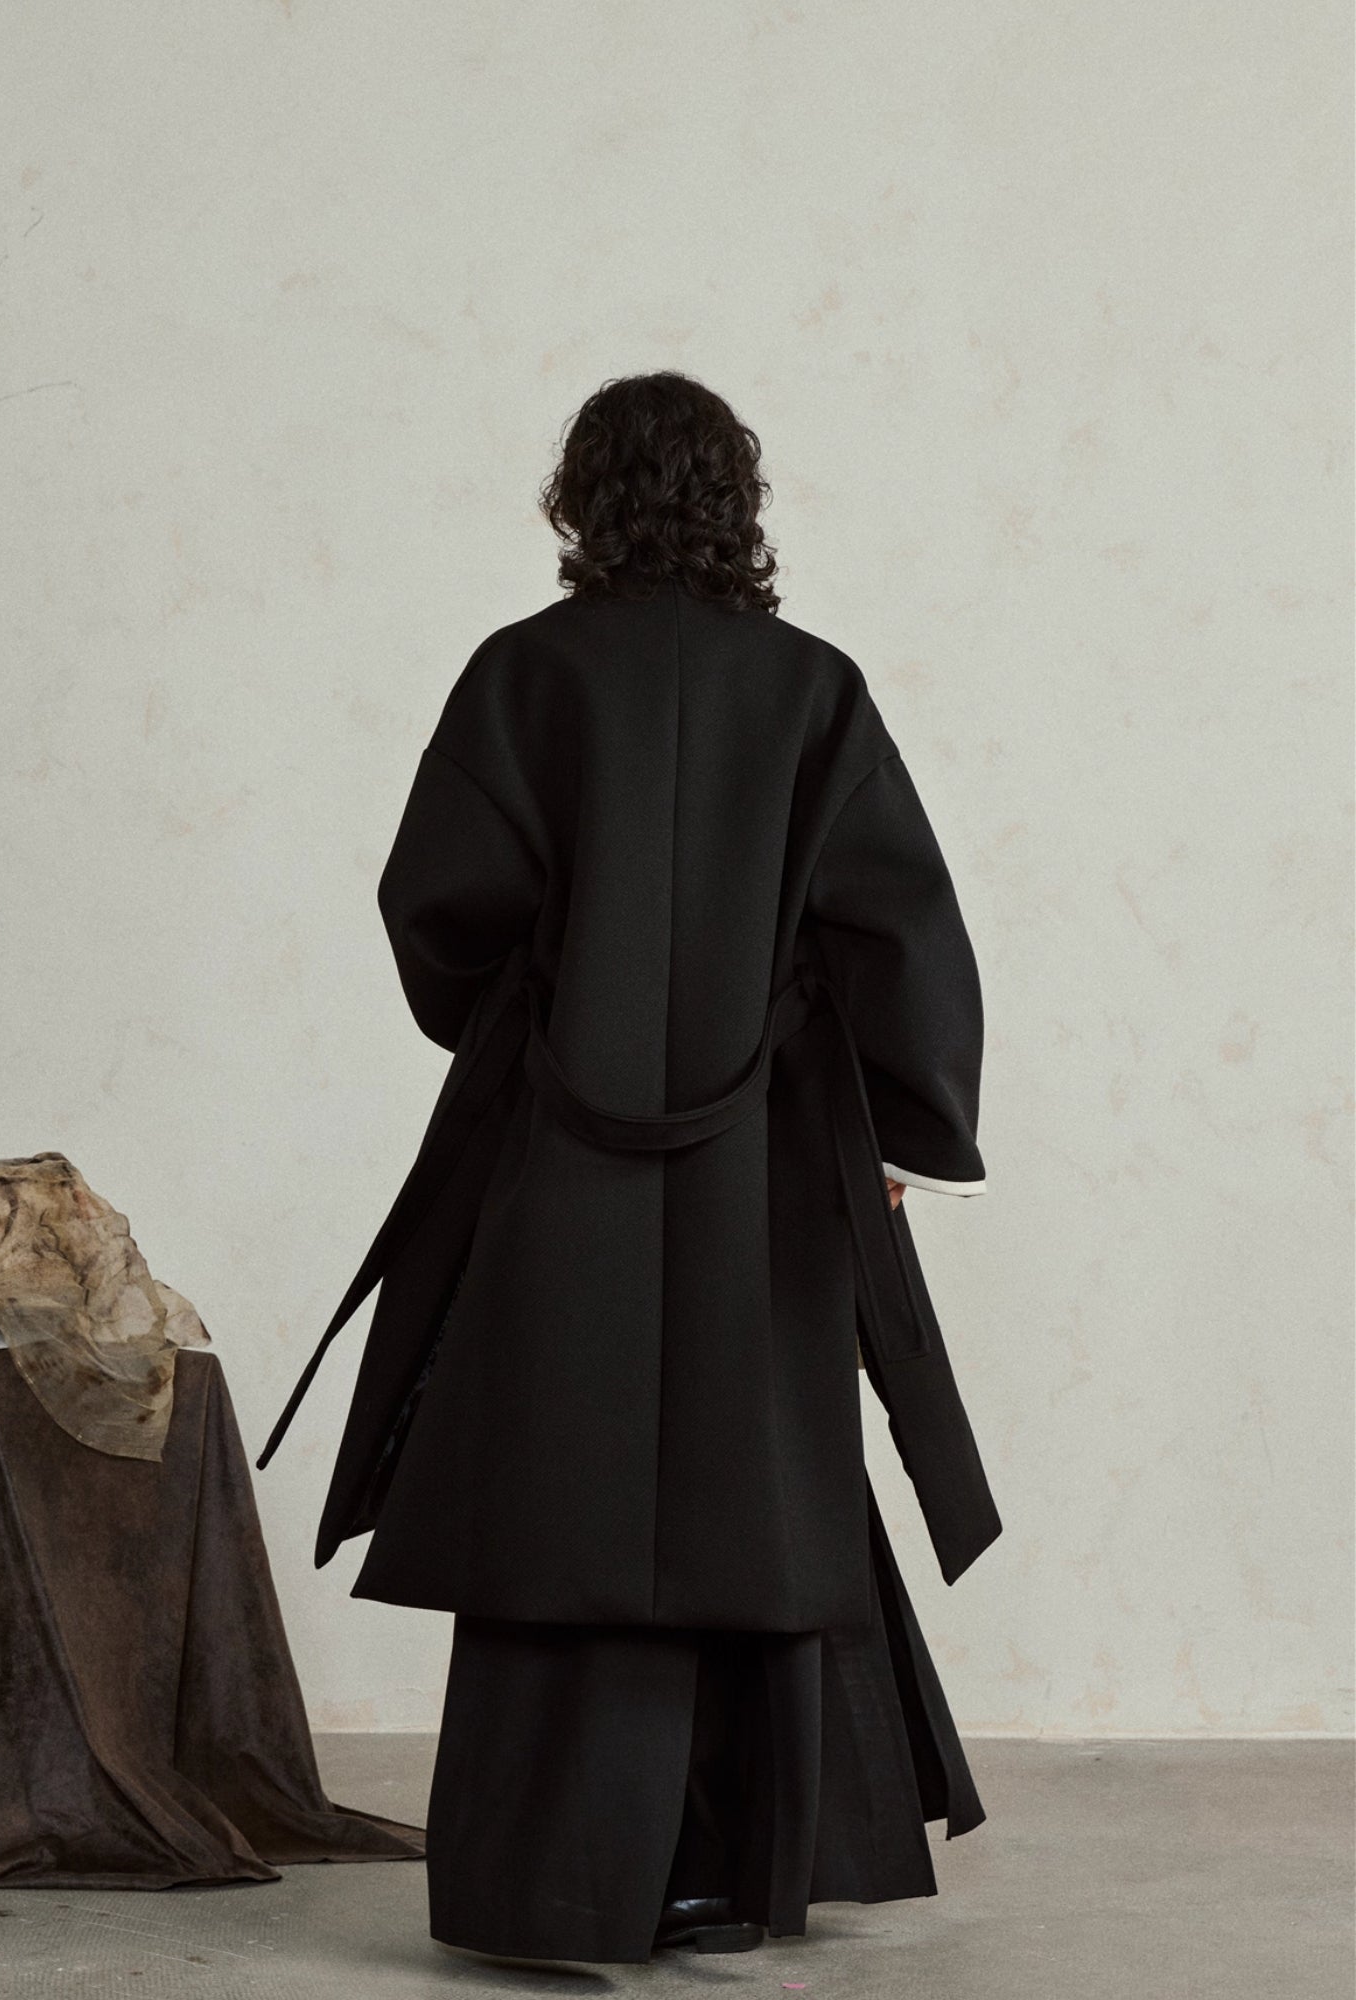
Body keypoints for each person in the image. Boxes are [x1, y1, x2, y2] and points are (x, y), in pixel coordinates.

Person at [257, 369, 1002, 1965]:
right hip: (766, 1163)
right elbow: (897, 929)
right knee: (758, 1479)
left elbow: (437, 909)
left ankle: (557, 1881)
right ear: (739, 500)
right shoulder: (812, 691)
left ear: (579, 501)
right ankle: (739, 1868)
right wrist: (904, 1129)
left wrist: (539, 1015)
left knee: (561, 1484)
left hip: (561, 1149)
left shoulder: (523, 678)